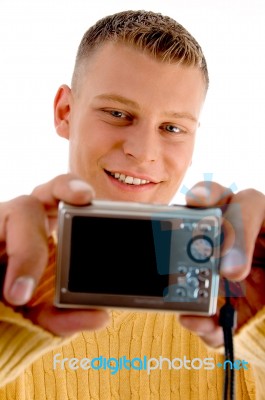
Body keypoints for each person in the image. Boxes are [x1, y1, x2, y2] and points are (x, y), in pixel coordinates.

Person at [0, 9, 264, 399]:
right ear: (64, 112)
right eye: (118, 114)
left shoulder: (240, 312)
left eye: (172, 128)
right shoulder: (8, 289)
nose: (143, 152)